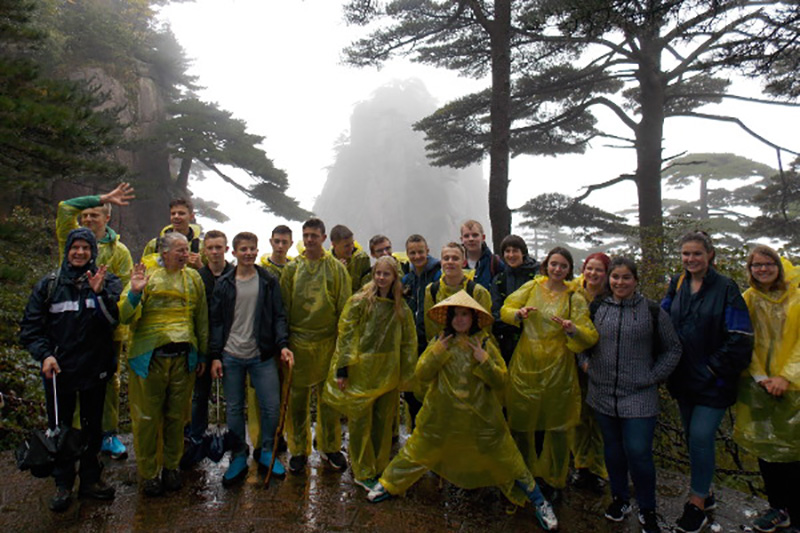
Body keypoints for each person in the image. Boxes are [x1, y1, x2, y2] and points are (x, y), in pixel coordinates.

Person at [366, 291, 558, 532]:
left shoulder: (485, 342)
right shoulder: (440, 340)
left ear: (474, 317)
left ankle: (539, 501)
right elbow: (422, 374)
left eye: (464, 314)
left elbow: (501, 381)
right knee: (415, 451)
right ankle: (387, 484)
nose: (459, 319)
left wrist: (484, 360)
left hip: (483, 421)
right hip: (441, 417)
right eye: (455, 315)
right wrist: (436, 353)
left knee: (510, 460)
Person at [20, 228, 122, 512]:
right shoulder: (49, 286)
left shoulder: (107, 281)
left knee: (93, 429)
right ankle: (63, 484)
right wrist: (44, 356)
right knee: (60, 429)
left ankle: (91, 480)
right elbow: (30, 328)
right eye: (75, 247)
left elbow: (116, 319)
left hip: (95, 370)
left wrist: (100, 293)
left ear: (93, 252)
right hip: (59, 372)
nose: (80, 253)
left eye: (86, 248)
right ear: (67, 250)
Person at [581, 257, 682, 533]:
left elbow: (673, 349)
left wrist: (653, 376)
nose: (620, 283)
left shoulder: (651, 311)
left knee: (638, 452)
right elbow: (581, 340)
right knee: (613, 451)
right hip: (602, 392)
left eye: (626, 278)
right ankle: (620, 499)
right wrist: (585, 363)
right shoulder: (598, 307)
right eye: (615, 277)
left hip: (638, 394)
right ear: (608, 279)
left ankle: (648, 508)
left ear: (635, 280)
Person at [661, 231, 753, 533]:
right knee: (691, 437)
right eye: (686, 254)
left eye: (697, 254)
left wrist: (712, 369)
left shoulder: (726, 288)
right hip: (682, 377)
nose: (691, 259)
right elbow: (660, 320)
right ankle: (708, 493)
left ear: (709, 255)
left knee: (701, 436)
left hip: (714, 382)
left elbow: (740, 337)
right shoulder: (677, 283)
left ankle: (696, 503)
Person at [500, 246, 598, 499]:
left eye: (563, 266)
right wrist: (518, 314)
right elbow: (506, 308)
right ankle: (524, 473)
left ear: (569, 270)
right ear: (546, 265)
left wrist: (572, 328)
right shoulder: (533, 287)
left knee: (556, 426)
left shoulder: (574, 296)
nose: (557, 269)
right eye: (554, 264)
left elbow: (589, 335)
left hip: (558, 370)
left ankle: (553, 480)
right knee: (522, 422)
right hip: (526, 365)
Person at [120, 232, 209, 497]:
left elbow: (200, 319)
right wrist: (135, 294)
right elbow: (124, 316)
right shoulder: (145, 274)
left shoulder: (193, 279)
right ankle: (148, 473)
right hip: (150, 359)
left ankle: (171, 467)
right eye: (179, 250)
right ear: (164, 251)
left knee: (176, 417)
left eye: (186, 250)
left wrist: (202, 354)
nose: (184, 255)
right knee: (147, 419)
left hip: (183, 359)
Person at [322, 256, 417, 491]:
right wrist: (343, 369)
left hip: (388, 371)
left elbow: (407, 342)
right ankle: (362, 470)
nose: (381, 278)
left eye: (386, 274)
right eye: (378, 273)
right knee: (360, 422)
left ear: (394, 277)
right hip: (361, 371)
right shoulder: (360, 302)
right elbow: (346, 336)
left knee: (383, 423)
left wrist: (406, 373)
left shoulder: (399, 305)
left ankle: (378, 467)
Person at [55, 183, 135, 461]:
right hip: (70, 327)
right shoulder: (71, 241)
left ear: (107, 218)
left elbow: (124, 291)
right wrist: (100, 198)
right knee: (71, 378)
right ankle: (76, 433)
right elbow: (65, 208)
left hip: (106, 329)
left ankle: (107, 433)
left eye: (95, 215)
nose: (88, 219)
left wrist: (117, 325)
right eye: (85, 215)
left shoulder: (119, 251)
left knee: (108, 382)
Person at [208, 232, 294, 486]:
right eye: (243, 249)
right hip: (231, 355)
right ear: (233, 253)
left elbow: (279, 315)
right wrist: (215, 356)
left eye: (252, 249)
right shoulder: (224, 284)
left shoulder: (268, 281)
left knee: (271, 406)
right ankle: (238, 455)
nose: (248, 253)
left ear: (257, 251)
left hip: (262, 354)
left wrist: (283, 345)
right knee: (234, 408)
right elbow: (216, 323)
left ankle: (266, 450)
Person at [734, 245, 800, 533]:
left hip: (795, 388)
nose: (762, 269)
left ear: (779, 264)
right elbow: (743, 340)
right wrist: (762, 377)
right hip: (759, 386)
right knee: (767, 449)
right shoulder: (748, 299)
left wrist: (786, 377)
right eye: (756, 265)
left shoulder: (798, 297)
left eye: (767, 263)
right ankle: (777, 508)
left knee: (795, 452)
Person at [280, 218, 351, 474]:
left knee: (329, 399)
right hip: (298, 341)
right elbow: (284, 309)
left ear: (323, 238)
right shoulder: (292, 269)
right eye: (306, 235)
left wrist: (343, 350)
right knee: (297, 399)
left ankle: (330, 447)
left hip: (328, 341)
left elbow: (345, 311)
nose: (309, 239)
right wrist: (284, 343)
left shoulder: (336, 269)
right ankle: (298, 450)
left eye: (314, 235)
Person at [182, 230, 234, 468]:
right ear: (204, 250)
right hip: (204, 345)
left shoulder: (237, 274)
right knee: (199, 396)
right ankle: (196, 440)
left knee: (233, 398)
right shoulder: (196, 277)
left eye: (218, 247)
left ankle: (235, 444)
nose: (214, 252)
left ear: (225, 248)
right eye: (210, 247)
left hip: (232, 346)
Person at [570, 252, 611, 492]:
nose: (593, 274)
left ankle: (599, 468)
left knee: (599, 418)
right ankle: (581, 465)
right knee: (579, 416)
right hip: (576, 362)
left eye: (599, 270)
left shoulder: (611, 297)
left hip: (602, 363)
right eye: (589, 269)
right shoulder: (574, 293)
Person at [400, 234, 441, 430]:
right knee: (411, 392)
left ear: (428, 251)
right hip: (411, 343)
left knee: (432, 390)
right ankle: (418, 434)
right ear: (407, 254)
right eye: (412, 253)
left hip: (431, 341)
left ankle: (432, 434)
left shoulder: (438, 275)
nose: (417, 256)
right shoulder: (406, 279)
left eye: (420, 252)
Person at [423, 242, 492, 342]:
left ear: (464, 262)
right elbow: (431, 329)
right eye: (446, 258)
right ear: (441, 262)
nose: (450, 262)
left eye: (455, 258)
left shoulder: (478, 292)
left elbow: (485, 328)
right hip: (443, 349)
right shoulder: (432, 290)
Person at [490, 234, 540, 364]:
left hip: (536, 340)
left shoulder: (538, 275)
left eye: (515, 251)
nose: (511, 255)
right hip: (508, 343)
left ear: (523, 253)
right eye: (507, 251)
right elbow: (495, 313)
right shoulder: (500, 280)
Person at [141, 198, 204, 269]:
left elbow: (213, 277)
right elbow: (143, 269)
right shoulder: (155, 244)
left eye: (181, 213)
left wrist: (200, 265)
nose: (176, 216)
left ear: (191, 216)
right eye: (173, 214)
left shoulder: (200, 247)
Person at [460, 219, 503, 290]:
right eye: (466, 236)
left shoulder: (494, 263)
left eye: (475, 235)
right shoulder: (456, 262)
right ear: (461, 239)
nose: (471, 239)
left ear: (483, 238)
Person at [330, 224, 372, 293]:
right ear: (334, 245)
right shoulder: (327, 262)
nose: (351, 248)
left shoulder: (361, 259)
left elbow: (366, 289)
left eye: (352, 243)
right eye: (346, 246)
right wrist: (338, 273)